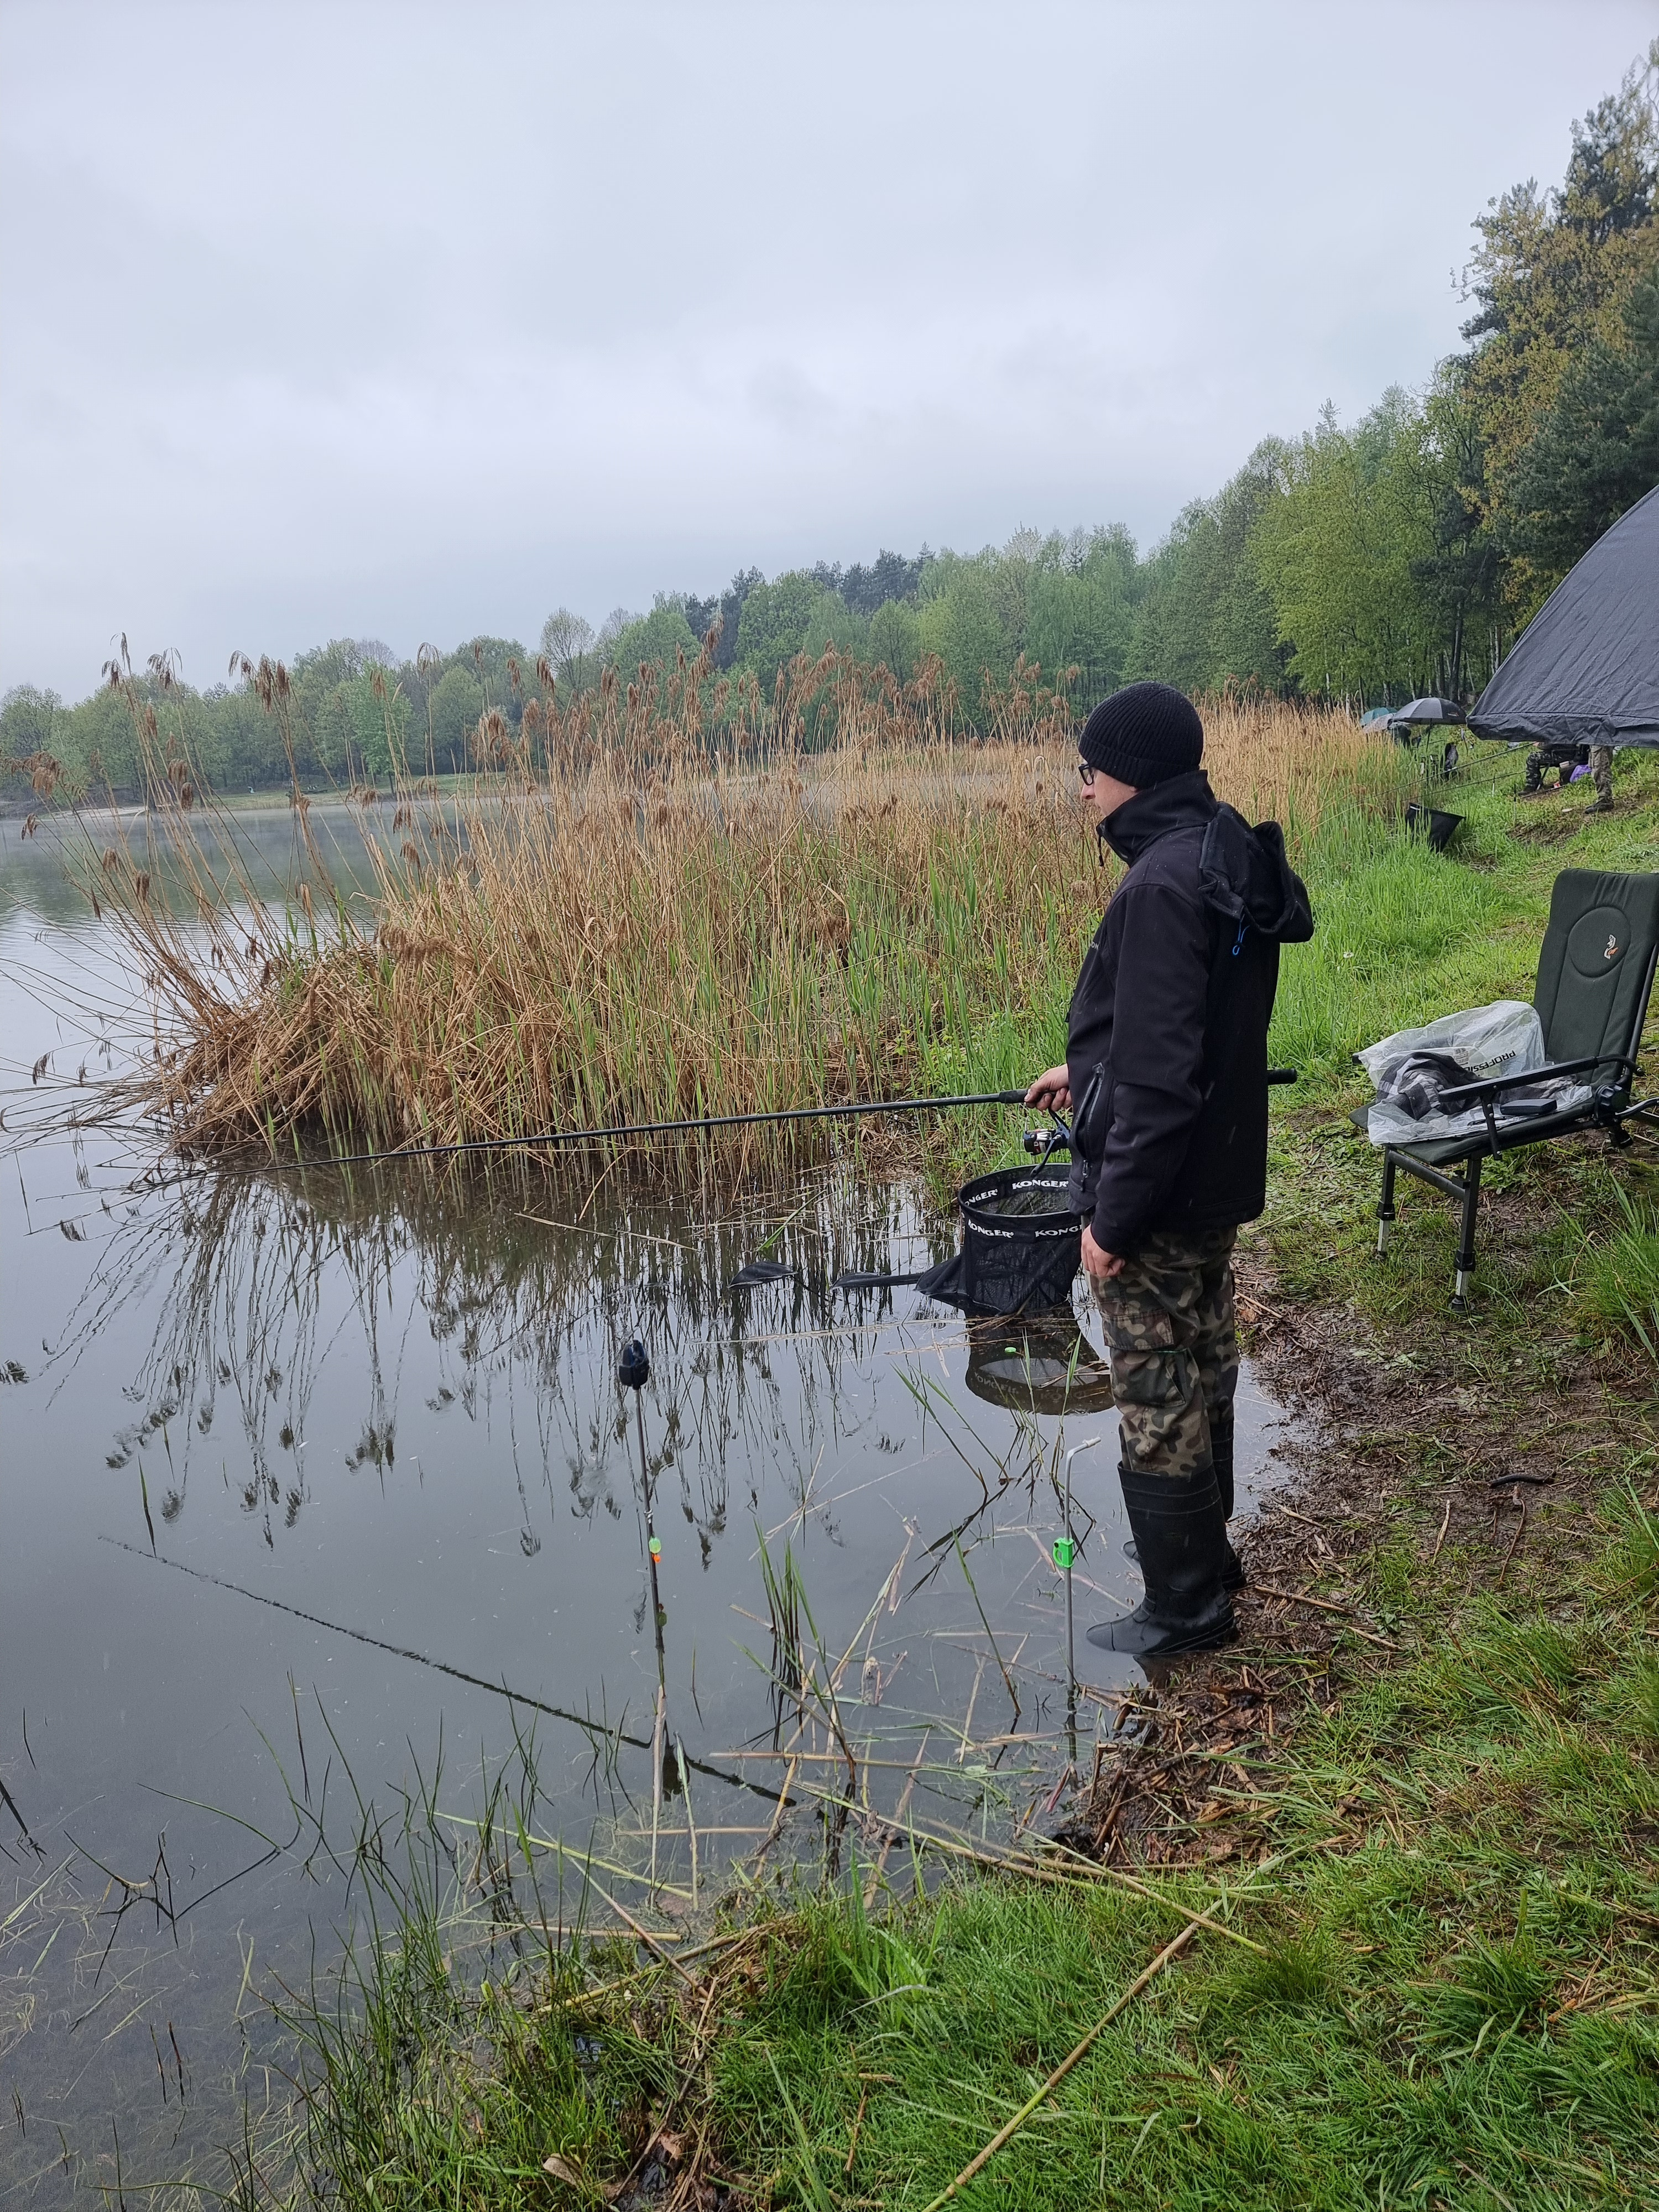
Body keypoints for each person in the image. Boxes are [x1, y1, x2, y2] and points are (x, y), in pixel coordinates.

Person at [1025, 682, 1313, 1657]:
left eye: (1090, 771)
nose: (1083, 789)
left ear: (1131, 776)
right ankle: (1209, 1559)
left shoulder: (1155, 884)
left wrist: (1111, 1223)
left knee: (1156, 1385)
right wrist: (1089, 1070)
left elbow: (1158, 1086)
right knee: (1204, 1357)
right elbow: (1192, 1034)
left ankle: (1184, 1607)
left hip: (1161, 1192)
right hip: (1215, 1177)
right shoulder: (1220, 855)